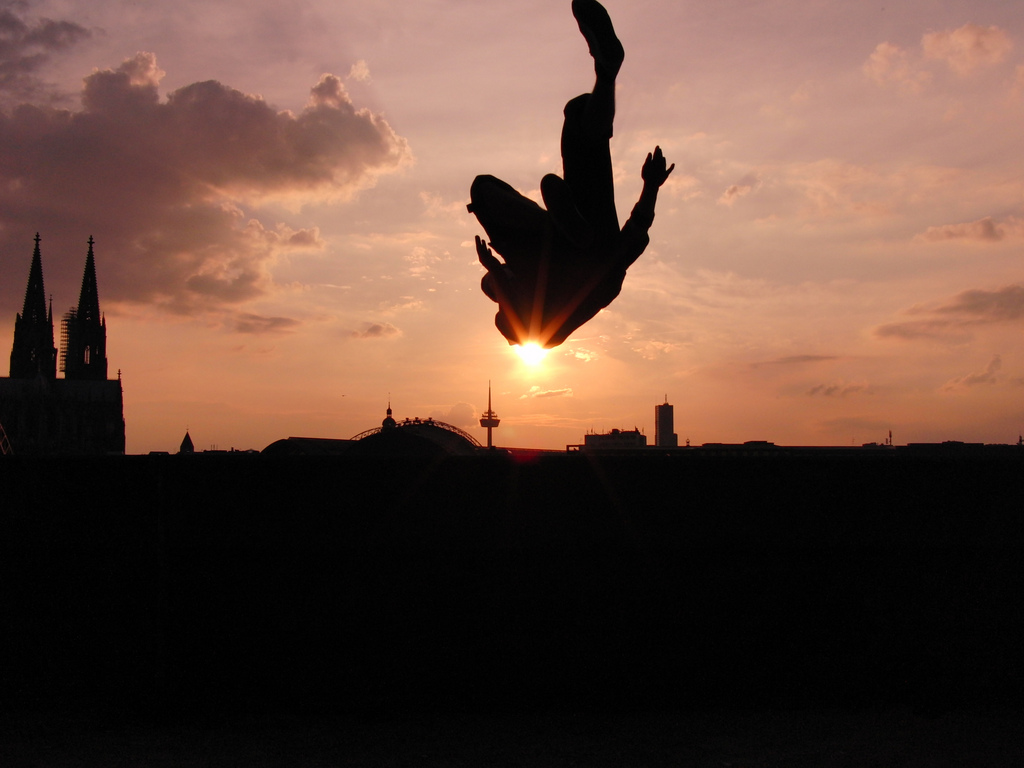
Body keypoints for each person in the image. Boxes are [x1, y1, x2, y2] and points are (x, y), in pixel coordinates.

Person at [469, 0, 674, 349]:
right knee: (483, 192)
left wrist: (651, 187)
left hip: (596, 242)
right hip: (570, 249)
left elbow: (635, 234)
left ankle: (606, 73)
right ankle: (605, 75)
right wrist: (495, 271)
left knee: (582, 124)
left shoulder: (590, 288)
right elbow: (519, 312)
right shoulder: (539, 307)